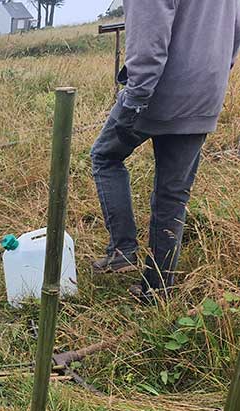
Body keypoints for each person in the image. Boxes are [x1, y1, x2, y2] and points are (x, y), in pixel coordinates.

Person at [90, 0, 240, 302]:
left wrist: (134, 100)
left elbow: (148, 42)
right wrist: (214, 73)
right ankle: (157, 287)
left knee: (105, 156)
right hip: (206, 93)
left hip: (158, 93)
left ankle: (122, 250)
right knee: (173, 193)